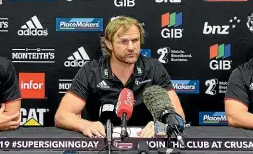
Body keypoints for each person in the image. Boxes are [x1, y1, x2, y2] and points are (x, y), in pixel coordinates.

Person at [55, 16, 185, 138]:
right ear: (109, 44)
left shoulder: (154, 68)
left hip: (145, 144)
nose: (131, 47)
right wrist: (84, 125)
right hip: (102, 146)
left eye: (135, 40)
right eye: (123, 42)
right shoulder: (91, 71)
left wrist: (161, 127)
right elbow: (61, 116)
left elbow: (178, 116)